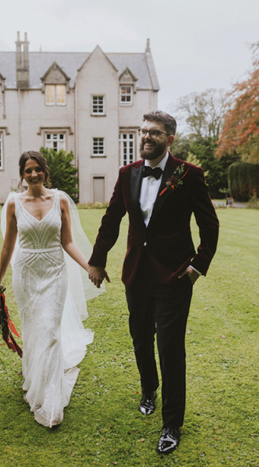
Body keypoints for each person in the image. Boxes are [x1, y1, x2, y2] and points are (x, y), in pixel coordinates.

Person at [88, 111, 219, 455]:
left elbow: (210, 224)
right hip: (137, 273)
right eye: (143, 132)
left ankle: (172, 423)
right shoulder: (127, 173)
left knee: (170, 348)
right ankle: (149, 389)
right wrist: (97, 260)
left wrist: (197, 266)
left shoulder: (188, 175)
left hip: (175, 275)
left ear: (170, 139)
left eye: (154, 133)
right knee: (140, 337)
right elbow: (112, 219)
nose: (146, 137)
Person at [0, 151, 103, 428]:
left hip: (54, 272)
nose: (33, 175)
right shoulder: (15, 204)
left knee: (51, 330)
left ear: (45, 171)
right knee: (34, 331)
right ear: (22, 174)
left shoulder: (60, 199)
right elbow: (8, 246)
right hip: (26, 275)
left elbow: (68, 242)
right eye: (28, 170)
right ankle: (35, 380)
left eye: (37, 169)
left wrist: (89, 266)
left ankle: (50, 402)